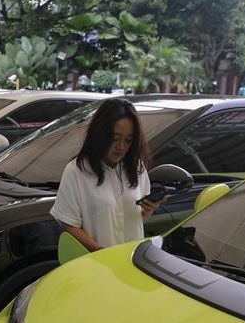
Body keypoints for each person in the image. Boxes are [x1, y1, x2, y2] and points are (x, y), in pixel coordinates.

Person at [50, 99, 164, 252]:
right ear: (100, 134)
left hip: (131, 260)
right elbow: (69, 224)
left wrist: (149, 209)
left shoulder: (136, 167)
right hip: (97, 263)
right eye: (115, 138)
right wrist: (99, 251)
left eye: (128, 140)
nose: (121, 147)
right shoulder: (77, 171)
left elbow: (132, 217)